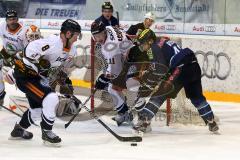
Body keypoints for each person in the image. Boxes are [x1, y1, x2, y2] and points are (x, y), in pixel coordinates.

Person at [9, 19, 81, 147]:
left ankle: (18, 130)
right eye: (76, 35)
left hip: (37, 79)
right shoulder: (52, 42)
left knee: (37, 110)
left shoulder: (72, 50)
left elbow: (61, 71)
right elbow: (28, 51)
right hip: (25, 77)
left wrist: (65, 84)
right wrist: (39, 63)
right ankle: (47, 132)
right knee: (51, 97)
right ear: (68, 34)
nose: (77, 38)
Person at [132, 37, 219, 133]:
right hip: (193, 65)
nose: (143, 48)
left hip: (180, 69)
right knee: (196, 97)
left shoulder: (153, 47)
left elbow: (161, 70)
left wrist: (150, 83)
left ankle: (144, 122)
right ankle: (212, 122)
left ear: (149, 41)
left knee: (159, 95)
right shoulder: (163, 40)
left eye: (143, 45)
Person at [91, 21, 135, 126]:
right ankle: (125, 111)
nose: (97, 39)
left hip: (132, 60)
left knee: (111, 88)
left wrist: (103, 78)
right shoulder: (108, 28)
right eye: (95, 36)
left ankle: (125, 113)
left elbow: (115, 70)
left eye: (99, 35)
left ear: (104, 32)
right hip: (129, 53)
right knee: (111, 85)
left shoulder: (110, 46)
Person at [0, 10, 36, 106]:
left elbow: (29, 50)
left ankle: (32, 97)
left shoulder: (24, 31)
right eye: (10, 19)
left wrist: (18, 56)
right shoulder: (2, 26)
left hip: (19, 57)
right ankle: (1, 95)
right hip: (5, 53)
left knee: (21, 79)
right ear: (6, 20)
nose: (12, 21)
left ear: (17, 19)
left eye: (14, 19)